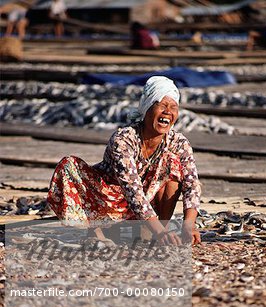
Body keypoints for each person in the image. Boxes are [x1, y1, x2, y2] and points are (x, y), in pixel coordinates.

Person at [48, 76, 201, 246]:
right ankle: (96, 228)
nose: (168, 112)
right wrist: (158, 230)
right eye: (162, 105)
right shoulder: (124, 139)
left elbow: (192, 183)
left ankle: (155, 230)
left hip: (144, 203)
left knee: (174, 164)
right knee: (69, 165)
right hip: (108, 199)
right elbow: (131, 189)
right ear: (147, 108)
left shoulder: (178, 143)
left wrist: (188, 225)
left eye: (173, 107)